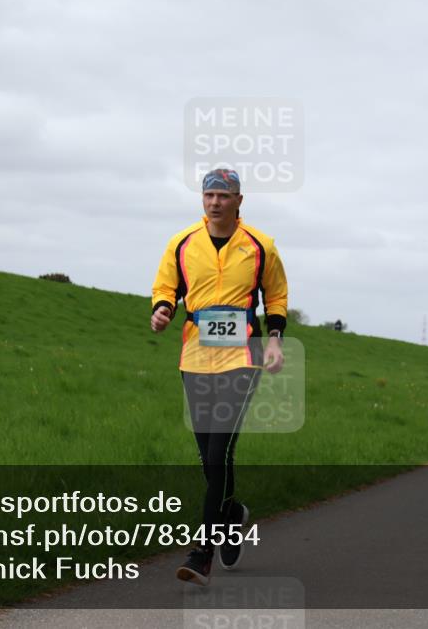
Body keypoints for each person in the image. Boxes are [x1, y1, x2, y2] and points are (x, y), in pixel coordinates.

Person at [151, 168, 287, 586]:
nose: (215, 202)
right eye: (209, 195)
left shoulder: (261, 245)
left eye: (224, 196)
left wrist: (277, 338)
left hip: (243, 357)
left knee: (218, 453)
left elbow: (276, 294)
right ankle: (231, 514)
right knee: (208, 457)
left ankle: (201, 554)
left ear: (239, 201)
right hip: (195, 356)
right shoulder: (182, 242)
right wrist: (161, 309)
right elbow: (165, 287)